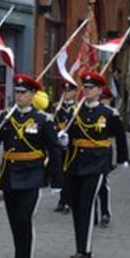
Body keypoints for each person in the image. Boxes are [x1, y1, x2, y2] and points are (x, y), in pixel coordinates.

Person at [0, 75, 63, 258]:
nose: (19, 96)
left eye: (23, 92)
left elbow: (54, 151)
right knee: (15, 223)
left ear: (33, 95)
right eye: (17, 92)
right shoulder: (6, 116)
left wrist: (56, 181)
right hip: (9, 174)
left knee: (24, 220)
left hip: (32, 175)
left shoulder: (43, 120)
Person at [57, 71, 129, 258]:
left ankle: (84, 250)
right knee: (76, 206)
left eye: (91, 88)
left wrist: (122, 159)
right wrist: (63, 140)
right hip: (75, 162)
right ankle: (80, 245)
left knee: (86, 204)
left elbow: (120, 137)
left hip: (97, 163)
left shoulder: (108, 114)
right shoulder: (75, 112)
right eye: (85, 88)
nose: (87, 91)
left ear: (99, 90)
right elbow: (67, 134)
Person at [53, 82, 78, 213]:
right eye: (65, 91)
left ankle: (69, 201)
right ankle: (62, 200)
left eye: (69, 91)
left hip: (72, 146)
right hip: (59, 145)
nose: (66, 93)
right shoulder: (57, 108)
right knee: (60, 173)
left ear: (74, 93)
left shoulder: (78, 109)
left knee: (70, 174)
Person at [95, 86, 116, 227]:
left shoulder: (111, 114)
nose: (103, 102)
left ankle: (105, 212)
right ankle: (93, 215)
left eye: (105, 100)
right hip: (88, 154)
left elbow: (116, 134)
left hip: (104, 152)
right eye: (101, 99)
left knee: (102, 184)